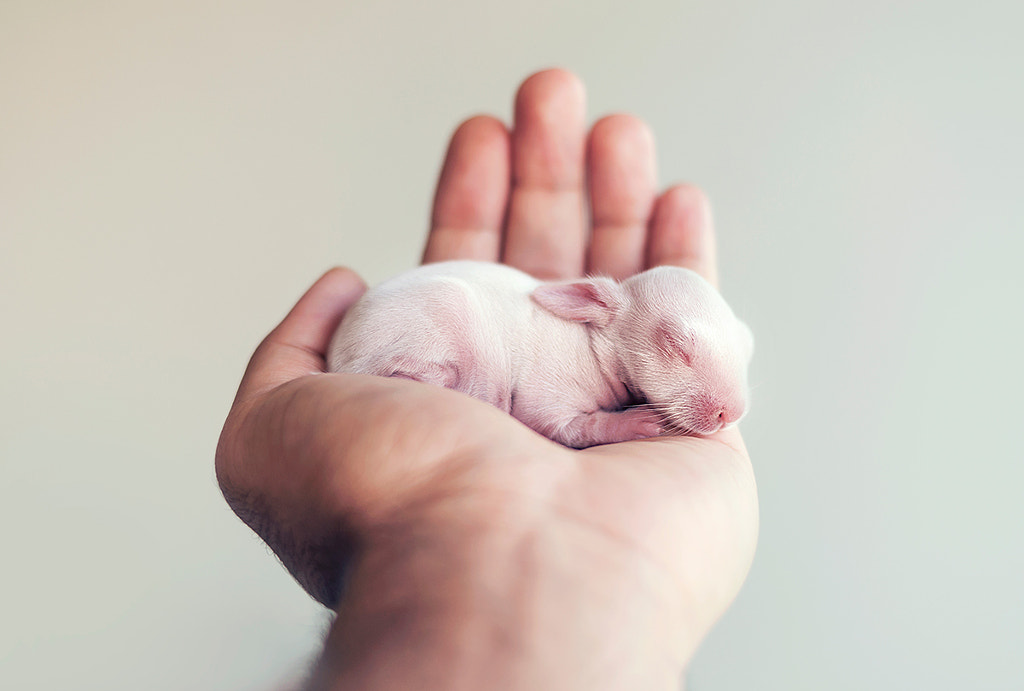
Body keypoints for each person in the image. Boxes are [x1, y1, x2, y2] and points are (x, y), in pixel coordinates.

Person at [216, 68, 758, 691]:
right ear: (594, 305)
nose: (727, 410)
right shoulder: (574, 347)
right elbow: (562, 420)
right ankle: (413, 375)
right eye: (677, 350)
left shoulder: (605, 345)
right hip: (412, 333)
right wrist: (611, 427)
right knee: (450, 309)